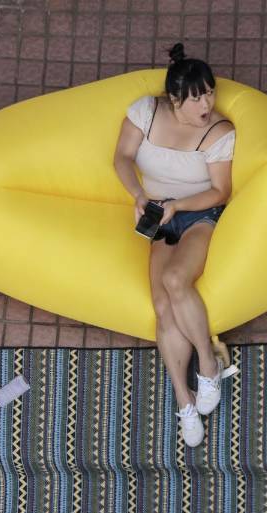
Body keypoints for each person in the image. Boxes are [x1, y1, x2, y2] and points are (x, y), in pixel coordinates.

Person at [113, 43, 236, 447]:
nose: (207, 103)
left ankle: (207, 364)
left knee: (177, 279)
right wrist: (138, 197)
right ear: (174, 99)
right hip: (158, 213)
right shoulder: (144, 112)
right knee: (162, 308)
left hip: (198, 212)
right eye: (197, 97)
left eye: (210, 92)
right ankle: (183, 401)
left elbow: (220, 191)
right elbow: (122, 158)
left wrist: (176, 206)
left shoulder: (219, 131)